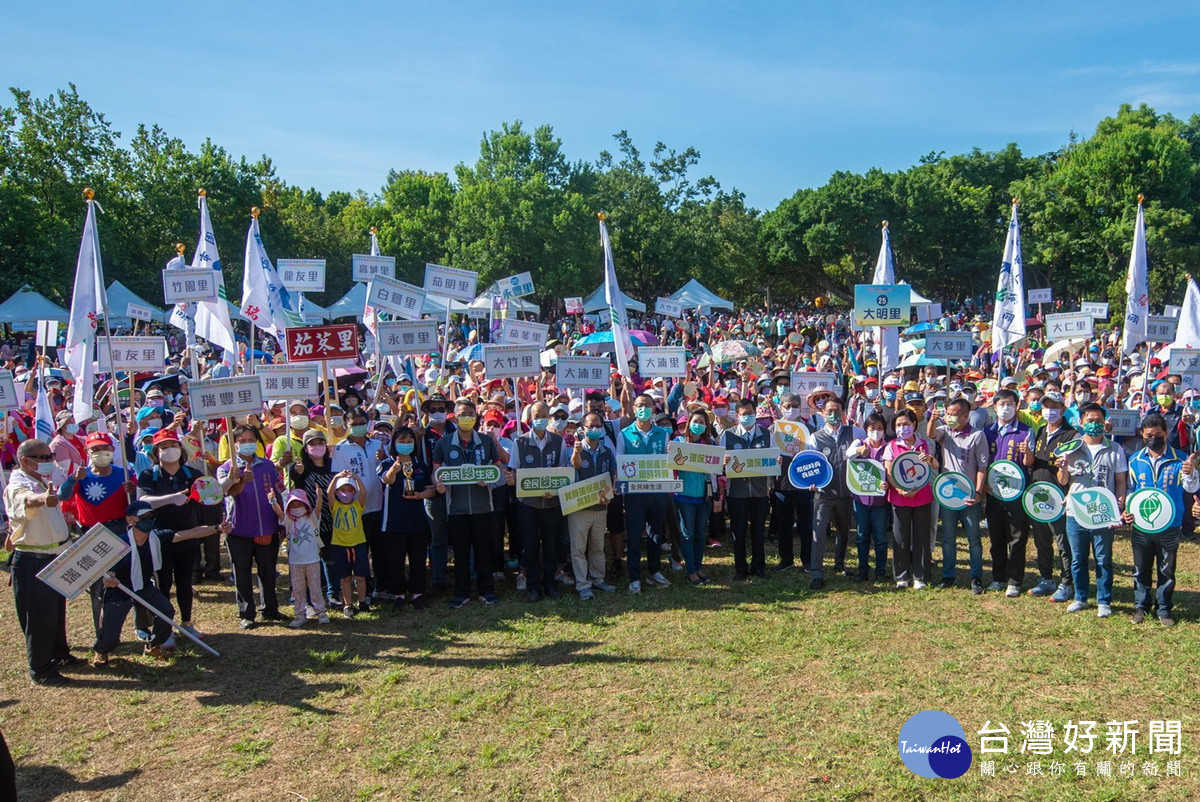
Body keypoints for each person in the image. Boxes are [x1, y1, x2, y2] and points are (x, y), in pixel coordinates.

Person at [91, 501, 229, 664]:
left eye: (151, 516)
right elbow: (107, 574)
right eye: (143, 517)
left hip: (144, 587)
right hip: (119, 592)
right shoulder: (120, 544)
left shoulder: (157, 537)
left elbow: (189, 533)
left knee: (166, 612)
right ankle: (101, 651)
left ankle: (153, 644)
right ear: (130, 520)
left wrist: (216, 528)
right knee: (111, 633)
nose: (148, 519)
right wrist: (109, 581)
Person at [5, 439, 82, 685]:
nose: (49, 461)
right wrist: (43, 499)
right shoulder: (18, 483)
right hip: (32, 560)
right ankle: (41, 669)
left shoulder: (40, 479)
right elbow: (27, 500)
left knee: (56, 611)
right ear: (26, 460)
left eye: (50, 457)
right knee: (39, 617)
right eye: (43, 458)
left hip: (54, 555)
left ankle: (59, 654)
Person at [432, 398, 506, 608]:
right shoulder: (444, 444)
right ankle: (461, 592)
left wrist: (490, 479)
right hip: (456, 508)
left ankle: (486, 590)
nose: (466, 418)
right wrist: (438, 484)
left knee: (484, 550)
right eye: (462, 414)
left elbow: (498, 469)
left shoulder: (486, 441)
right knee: (461, 552)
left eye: (470, 415)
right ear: (454, 417)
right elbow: (436, 472)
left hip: (484, 507)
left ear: (476, 418)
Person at [1057, 403, 1127, 617]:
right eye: (1090, 421)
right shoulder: (1072, 447)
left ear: (1104, 422)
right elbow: (1063, 481)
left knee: (1103, 558)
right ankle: (1080, 597)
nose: (1094, 425)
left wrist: (1119, 504)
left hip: (1103, 512)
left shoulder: (1114, 449)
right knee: (1078, 557)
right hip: (1076, 511)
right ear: (1081, 422)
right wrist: (1061, 468)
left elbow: (1121, 480)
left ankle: (1103, 600)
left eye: (1098, 421)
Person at [1123, 413, 1194, 627]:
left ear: (1166, 433)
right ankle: (1141, 607)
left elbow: (1190, 489)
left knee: (1166, 569)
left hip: (1170, 524)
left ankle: (1163, 609)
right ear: (1142, 436)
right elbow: (1131, 489)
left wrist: (1190, 474)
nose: (1153, 438)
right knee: (1141, 567)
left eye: (1158, 434)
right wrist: (1128, 508)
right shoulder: (1135, 460)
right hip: (1141, 523)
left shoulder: (1180, 459)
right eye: (1148, 435)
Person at [137, 429, 205, 640]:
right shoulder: (149, 474)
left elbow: (210, 492)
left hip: (187, 535)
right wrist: (171, 498)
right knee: (163, 584)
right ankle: (165, 627)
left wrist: (229, 480)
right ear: (156, 451)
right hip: (159, 538)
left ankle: (186, 623)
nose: (169, 450)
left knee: (185, 583)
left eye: (173, 446)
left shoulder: (191, 473)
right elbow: (143, 500)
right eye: (164, 447)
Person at [217, 425, 288, 629]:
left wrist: (282, 521)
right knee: (242, 572)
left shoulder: (267, 466)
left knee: (268, 570)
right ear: (234, 444)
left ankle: (271, 608)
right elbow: (222, 493)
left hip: (267, 526)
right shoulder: (226, 468)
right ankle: (246, 613)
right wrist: (235, 479)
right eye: (242, 440)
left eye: (251, 439)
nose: (247, 443)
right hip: (238, 529)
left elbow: (281, 490)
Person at [507, 401, 572, 602]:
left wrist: (555, 489)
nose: (541, 418)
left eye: (545, 415)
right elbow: (513, 471)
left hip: (551, 504)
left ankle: (550, 585)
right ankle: (533, 586)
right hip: (528, 504)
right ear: (530, 418)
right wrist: (511, 479)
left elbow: (563, 471)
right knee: (531, 545)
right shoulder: (520, 442)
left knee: (551, 545)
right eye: (537, 415)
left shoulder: (558, 441)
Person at [926, 397, 988, 594]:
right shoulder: (946, 431)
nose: (950, 417)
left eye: (954, 414)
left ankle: (976, 576)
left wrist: (978, 492)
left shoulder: (977, 435)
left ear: (965, 415)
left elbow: (982, 466)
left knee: (974, 539)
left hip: (969, 495)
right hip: (948, 494)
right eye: (948, 414)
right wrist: (933, 419)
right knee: (948, 538)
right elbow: (931, 433)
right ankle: (948, 575)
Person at [983, 389, 1035, 596]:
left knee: (1017, 537)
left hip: (1016, 492)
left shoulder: (1026, 431)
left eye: (1010, 404)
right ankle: (998, 577)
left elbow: (1029, 463)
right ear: (994, 407)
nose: (1006, 408)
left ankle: (1014, 580)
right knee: (996, 537)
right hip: (994, 492)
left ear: (1017, 405)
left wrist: (1027, 452)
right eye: (1002, 404)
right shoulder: (988, 432)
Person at [620, 392, 674, 593]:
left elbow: (668, 460)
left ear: (653, 408)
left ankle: (654, 571)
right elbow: (620, 462)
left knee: (655, 534)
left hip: (657, 491)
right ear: (634, 409)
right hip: (634, 493)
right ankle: (634, 577)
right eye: (639, 405)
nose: (643, 409)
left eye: (647, 405)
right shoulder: (624, 433)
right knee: (634, 535)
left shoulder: (662, 433)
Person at [808, 396, 863, 589]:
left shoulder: (855, 432)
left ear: (843, 413)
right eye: (829, 411)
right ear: (822, 414)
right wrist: (810, 481)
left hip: (846, 493)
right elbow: (810, 464)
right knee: (819, 532)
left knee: (844, 530)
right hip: (823, 493)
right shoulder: (815, 437)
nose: (833, 415)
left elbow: (869, 449)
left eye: (837, 411)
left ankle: (839, 564)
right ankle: (817, 573)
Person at [331, 409, 386, 598]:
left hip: (378, 505)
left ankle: (381, 587)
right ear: (346, 425)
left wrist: (384, 458)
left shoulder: (378, 445)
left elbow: (387, 469)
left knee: (380, 549)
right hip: (355, 509)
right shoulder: (341, 449)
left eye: (361, 423)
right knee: (361, 552)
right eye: (353, 424)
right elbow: (337, 479)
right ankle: (364, 589)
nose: (358, 427)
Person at [379, 426, 435, 610]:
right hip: (394, 522)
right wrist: (394, 470)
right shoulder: (387, 463)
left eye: (409, 441)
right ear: (394, 443)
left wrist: (420, 495)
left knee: (418, 559)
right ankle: (399, 595)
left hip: (417, 521)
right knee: (396, 560)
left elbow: (431, 489)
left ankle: (418, 594)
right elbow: (386, 480)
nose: (406, 444)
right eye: (401, 441)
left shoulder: (420, 465)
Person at [1027, 391, 1076, 600]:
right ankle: (1046, 578)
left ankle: (1068, 582)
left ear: (1062, 409)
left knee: (1063, 542)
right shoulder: (1039, 431)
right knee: (1041, 539)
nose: (1049, 410)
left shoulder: (1071, 435)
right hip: (1039, 492)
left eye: (1054, 406)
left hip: (1059, 494)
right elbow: (1033, 461)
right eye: (1045, 406)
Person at [882, 409, 938, 589]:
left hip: (922, 496)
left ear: (914, 425)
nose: (902, 428)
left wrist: (929, 459)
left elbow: (935, 465)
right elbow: (889, 472)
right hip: (900, 497)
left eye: (906, 424)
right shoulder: (891, 446)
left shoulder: (923, 444)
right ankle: (901, 575)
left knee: (921, 536)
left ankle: (920, 575)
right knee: (901, 536)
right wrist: (900, 490)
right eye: (898, 425)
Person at [720, 398, 772, 581]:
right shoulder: (728, 435)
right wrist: (723, 461)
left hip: (760, 492)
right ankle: (740, 568)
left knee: (758, 531)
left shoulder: (766, 434)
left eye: (750, 413)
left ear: (755, 413)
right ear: (737, 416)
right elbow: (719, 463)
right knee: (738, 531)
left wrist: (777, 462)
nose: (747, 417)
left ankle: (759, 566)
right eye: (743, 414)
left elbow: (773, 458)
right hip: (737, 492)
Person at [568, 412, 619, 599]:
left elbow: (613, 476)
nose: (595, 429)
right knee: (578, 549)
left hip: (600, 507)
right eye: (591, 425)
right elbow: (575, 466)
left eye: (598, 425)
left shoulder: (607, 451)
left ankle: (598, 579)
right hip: (579, 508)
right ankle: (583, 585)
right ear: (583, 428)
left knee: (597, 546)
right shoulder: (575, 449)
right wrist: (576, 451)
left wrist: (611, 493)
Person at [673, 409, 719, 586]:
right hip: (684, 495)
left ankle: (698, 567)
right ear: (688, 422)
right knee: (687, 534)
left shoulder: (711, 444)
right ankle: (691, 571)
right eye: (695, 421)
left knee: (700, 534)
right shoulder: (678, 443)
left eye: (702, 422)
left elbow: (717, 468)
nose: (698, 425)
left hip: (704, 495)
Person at [269, 488, 329, 627]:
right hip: (295, 562)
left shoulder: (312, 518)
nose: (296, 508)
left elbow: (318, 509)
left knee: (315, 587)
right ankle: (300, 614)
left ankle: (321, 612)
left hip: (313, 559)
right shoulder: (289, 520)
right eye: (293, 505)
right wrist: (272, 501)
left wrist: (319, 496)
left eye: (299, 504)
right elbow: (278, 512)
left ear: (306, 504)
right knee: (298, 589)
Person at [848, 413, 889, 582]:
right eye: (872, 428)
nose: (876, 432)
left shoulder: (889, 447)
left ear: (885, 430)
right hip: (861, 501)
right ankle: (862, 570)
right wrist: (858, 450)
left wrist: (889, 485)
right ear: (866, 430)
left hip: (881, 502)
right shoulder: (860, 444)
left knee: (881, 538)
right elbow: (848, 454)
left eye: (880, 428)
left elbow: (892, 473)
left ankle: (880, 571)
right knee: (861, 537)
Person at [328, 471, 370, 617]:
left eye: (350, 490)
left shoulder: (358, 505)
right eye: (342, 490)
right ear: (337, 492)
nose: (346, 493)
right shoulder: (335, 506)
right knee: (345, 577)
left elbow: (363, 493)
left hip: (358, 544)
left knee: (360, 576)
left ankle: (363, 601)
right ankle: (348, 604)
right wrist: (336, 478)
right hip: (340, 545)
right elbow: (329, 493)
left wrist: (356, 478)